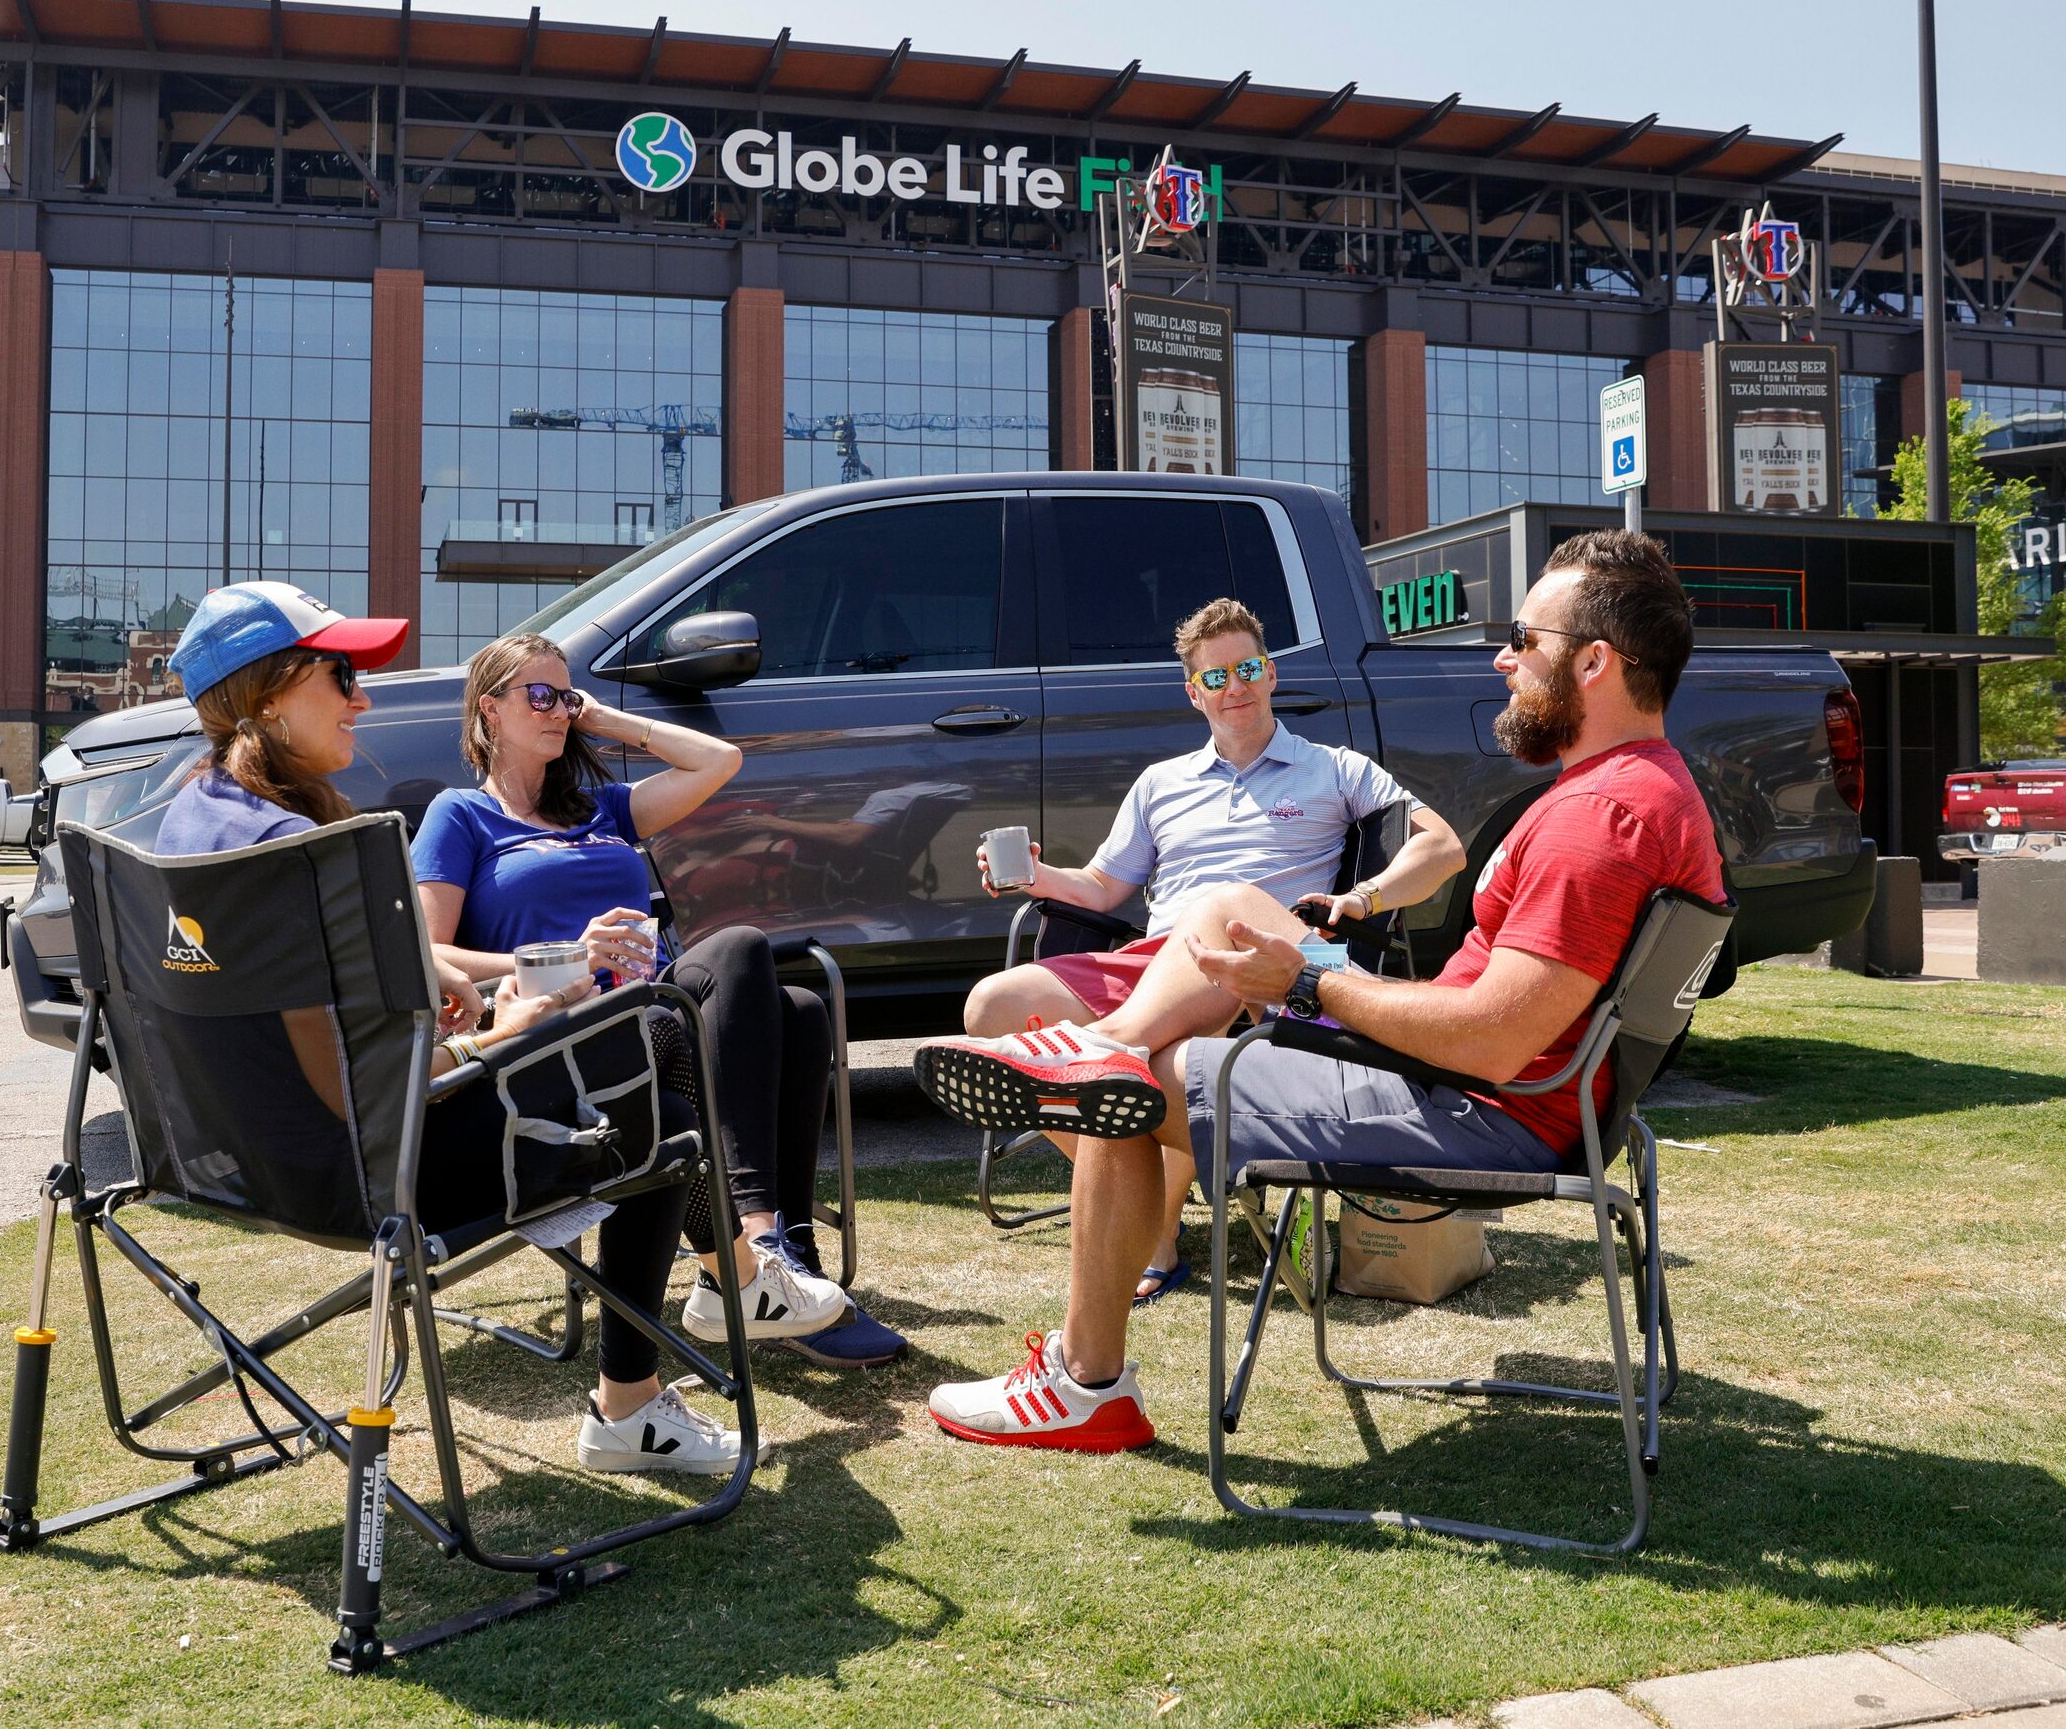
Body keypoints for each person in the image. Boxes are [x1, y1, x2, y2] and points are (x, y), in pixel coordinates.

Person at [918, 531, 1726, 1451]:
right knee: (1194, 961)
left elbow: (1496, 1044)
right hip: (1512, 1095)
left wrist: (1309, 979)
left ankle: (1086, 1383)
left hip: (1475, 1107)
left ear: (1592, 663)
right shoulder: (1649, 792)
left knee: (1132, 1083)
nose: (1501, 659)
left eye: (1522, 638)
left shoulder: (1600, 818)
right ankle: (1102, 1072)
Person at [158, 581, 744, 1475]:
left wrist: (444, 987)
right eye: (340, 675)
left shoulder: (195, 823)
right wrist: (496, 1039)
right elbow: (354, 1091)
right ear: (267, 693)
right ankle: (641, 1390)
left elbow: (312, 1020)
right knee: (656, 1090)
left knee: (664, 1032)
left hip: (248, 1163)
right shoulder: (304, 854)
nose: (361, 700)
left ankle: (740, 1275)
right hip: (374, 1175)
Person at [921, 597, 1465, 1304]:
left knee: (1186, 983)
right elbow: (1101, 887)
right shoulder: (1161, 784)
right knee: (995, 1004)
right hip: (1156, 957)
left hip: (1277, 962)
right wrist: (1034, 873)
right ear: (1193, 692)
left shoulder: (1336, 768)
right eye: (1216, 677)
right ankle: (1128, 1159)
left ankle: (1147, 1215)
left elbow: (1443, 848)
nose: (1234, 687)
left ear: (1270, 673)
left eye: (1247, 669)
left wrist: (1364, 899)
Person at [412, 630, 907, 1370]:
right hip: (571, 1034)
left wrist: (602, 718)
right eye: (539, 696)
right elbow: (429, 951)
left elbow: (719, 760)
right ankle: (756, 1246)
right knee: (739, 946)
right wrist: (563, 956)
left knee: (799, 1010)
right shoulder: (463, 816)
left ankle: (783, 1253)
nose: (558, 709)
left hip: (653, 1011)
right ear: (489, 710)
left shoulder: (602, 808)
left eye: (566, 695)